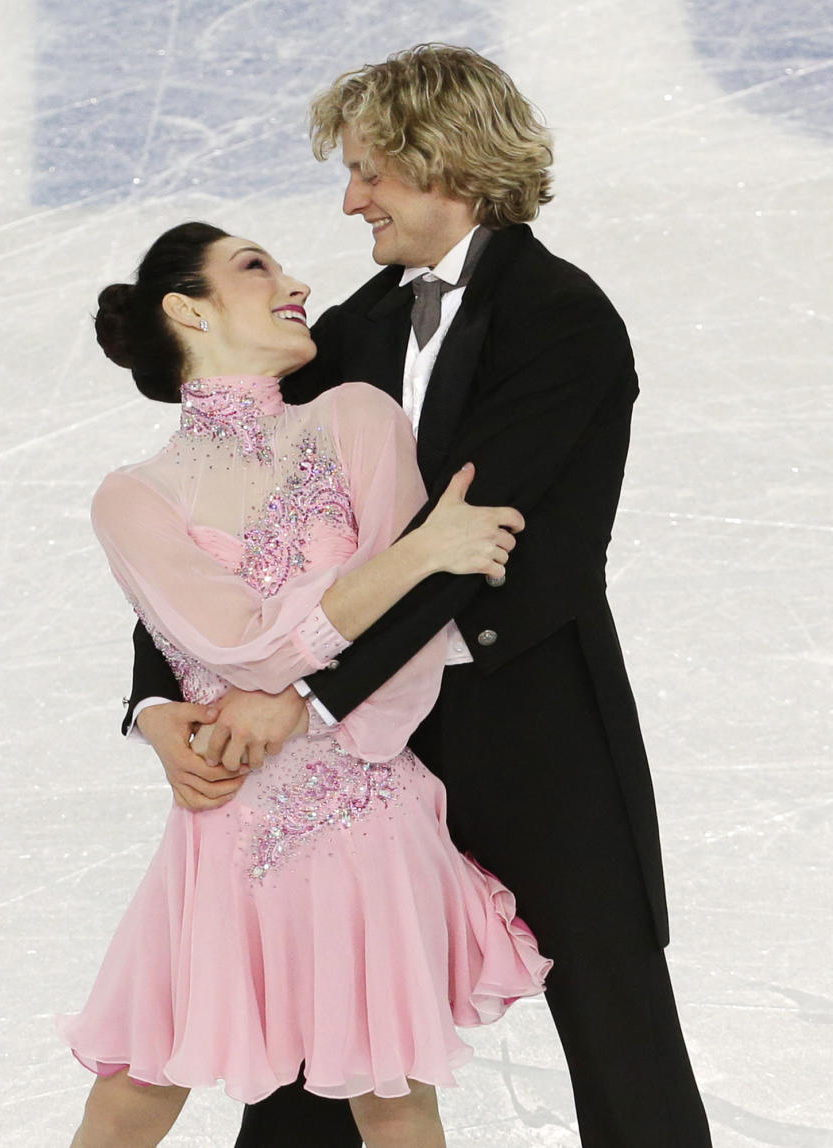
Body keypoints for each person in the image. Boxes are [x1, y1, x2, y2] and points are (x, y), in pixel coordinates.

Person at [126, 46, 713, 1148]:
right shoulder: (351, 331)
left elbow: (464, 552)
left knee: (616, 1024)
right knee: (315, 1045)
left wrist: (303, 695)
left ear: (443, 160)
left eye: (370, 173)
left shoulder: (562, 319)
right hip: (369, 761)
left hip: (534, 734)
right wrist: (160, 702)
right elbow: (223, 537)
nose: (350, 201)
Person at [58, 220, 552, 1148]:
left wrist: (406, 579)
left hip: (368, 806)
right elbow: (238, 647)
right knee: (137, 1083)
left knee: (394, 1095)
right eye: (255, 267)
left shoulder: (356, 416)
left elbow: (410, 642)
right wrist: (414, 559)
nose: (293, 282)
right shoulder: (134, 496)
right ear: (187, 309)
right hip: (229, 818)